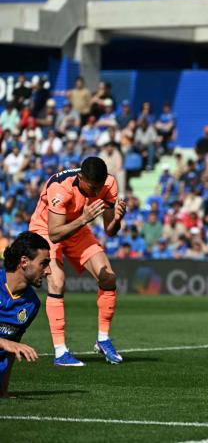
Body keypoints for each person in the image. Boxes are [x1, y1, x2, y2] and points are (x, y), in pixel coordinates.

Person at [28, 157, 127, 366]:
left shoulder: (108, 184)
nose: (96, 191)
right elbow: (54, 234)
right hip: (46, 228)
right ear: (81, 178)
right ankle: (61, 352)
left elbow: (110, 231)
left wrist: (117, 220)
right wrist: (84, 219)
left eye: (100, 187)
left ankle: (103, 340)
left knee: (108, 277)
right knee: (57, 282)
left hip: (77, 227)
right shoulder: (59, 188)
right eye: (93, 187)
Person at [0, 232, 52, 398]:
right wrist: (4, 342)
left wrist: (3, 391)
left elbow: (12, 350)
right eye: (43, 264)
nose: (48, 271)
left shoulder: (32, 304)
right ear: (24, 262)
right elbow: (9, 345)